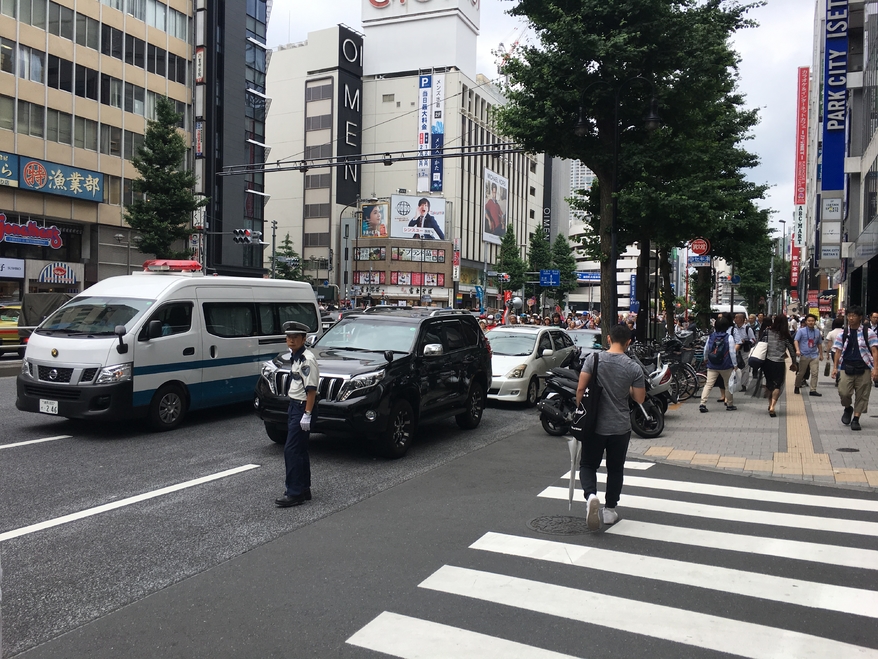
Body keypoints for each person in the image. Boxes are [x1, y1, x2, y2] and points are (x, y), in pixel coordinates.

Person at [575, 323, 646, 530]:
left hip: (594, 425)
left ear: (608, 339)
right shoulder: (633, 367)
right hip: (620, 427)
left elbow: (580, 388)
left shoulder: (593, 359)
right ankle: (610, 510)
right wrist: (628, 390)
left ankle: (590, 496)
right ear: (628, 342)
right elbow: (640, 398)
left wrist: (581, 410)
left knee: (588, 465)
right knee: (615, 469)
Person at [275, 321, 319, 508]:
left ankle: (294, 492)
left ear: (304, 339)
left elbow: (311, 390)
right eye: (288, 337)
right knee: (299, 449)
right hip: (295, 405)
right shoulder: (296, 356)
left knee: (291, 450)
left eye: (295, 337)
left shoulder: (307, 359)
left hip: (302, 407)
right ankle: (303, 488)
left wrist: (307, 414)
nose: (291, 340)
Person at [831, 306, 878, 431]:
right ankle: (848, 408)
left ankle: (856, 419)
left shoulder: (868, 332)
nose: (851, 318)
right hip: (846, 366)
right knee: (844, 392)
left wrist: (875, 369)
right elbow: (837, 351)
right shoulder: (843, 333)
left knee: (862, 395)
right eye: (849, 315)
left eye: (854, 315)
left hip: (864, 367)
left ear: (860, 317)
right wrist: (835, 367)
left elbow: (874, 351)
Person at [699, 316, 739, 412]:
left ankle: (702, 404)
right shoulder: (729, 337)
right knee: (728, 385)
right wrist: (735, 364)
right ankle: (729, 404)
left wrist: (705, 359)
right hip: (726, 365)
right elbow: (732, 352)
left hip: (712, 364)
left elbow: (706, 349)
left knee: (708, 384)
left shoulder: (711, 336)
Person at [761, 315, 797, 417]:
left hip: (767, 362)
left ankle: (769, 404)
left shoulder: (767, 332)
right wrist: (794, 363)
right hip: (779, 363)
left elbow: (761, 344)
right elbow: (792, 351)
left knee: (769, 384)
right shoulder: (785, 335)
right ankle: (773, 406)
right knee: (777, 385)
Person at [794, 313, 824, 396]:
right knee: (801, 372)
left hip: (814, 355)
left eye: (812, 321)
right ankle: (796, 386)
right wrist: (797, 350)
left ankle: (813, 389)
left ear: (815, 322)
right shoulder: (801, 331)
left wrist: (821, 354)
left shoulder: (817, 332)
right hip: (804, 354)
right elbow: (796, 340)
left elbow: (819, 343)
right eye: (809, 321)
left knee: (815, 372)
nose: (811, 322)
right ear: (806, 322)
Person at [732, 312, 757, 392]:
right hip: (735, 349)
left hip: (744, 350)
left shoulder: (747, 329)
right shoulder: (733, 328)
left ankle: (743, 384)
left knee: (745, 367)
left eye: (736, 318)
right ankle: (734, 383)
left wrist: (745, 342)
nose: (735, 319)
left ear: (742, 319)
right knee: (734, 366)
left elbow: (753, 339)